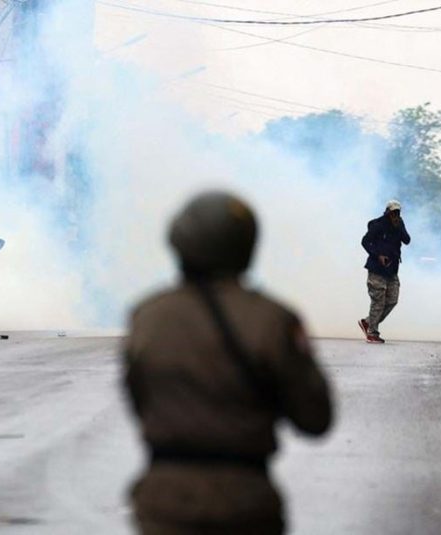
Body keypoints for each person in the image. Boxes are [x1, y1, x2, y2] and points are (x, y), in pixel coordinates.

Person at [123, 191, 333, 535]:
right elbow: (315, 418)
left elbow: (138, 398)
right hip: (245, 500)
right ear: (246, 247)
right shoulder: (273, 319)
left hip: (164, 500)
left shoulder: (148, 316)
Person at [359, 200, 410, 344]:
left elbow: (407, 240)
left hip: (392, 270)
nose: (396, 215)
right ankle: (372, 333)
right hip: (376, 268)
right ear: (387, 212)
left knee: (392, 300)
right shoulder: (378, 225)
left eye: (398, 212)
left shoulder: (399, 224)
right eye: (393, 212)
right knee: (378, 301)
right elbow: (365, 241)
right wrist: (377, 255)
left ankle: (368, 322)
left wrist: (400, 226)